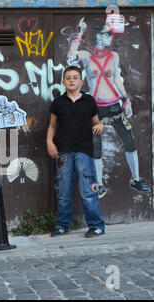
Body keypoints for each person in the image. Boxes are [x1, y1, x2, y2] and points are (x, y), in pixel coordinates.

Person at [67, 17, 150, 198]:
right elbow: (71, 56)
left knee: (129, 141)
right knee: (97, 149)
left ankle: (135, 179)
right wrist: (79, 33)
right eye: (107, 34)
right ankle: (100, 184)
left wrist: (126, 100)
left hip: (114, 106)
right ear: (98, 37)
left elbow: (117, 80)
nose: (111, 37)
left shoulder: (114, 57)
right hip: (96, 109)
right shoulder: (87, 57)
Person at [46, 66, 106, 238]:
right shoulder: (58, 102)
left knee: (88, 189)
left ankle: (96, 225)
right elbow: (52, 126)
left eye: (75, 77)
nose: (71, 80)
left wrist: (100, 125)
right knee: (63, 190)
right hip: (63, 151)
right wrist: (49, 142)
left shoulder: (89, 101)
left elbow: (96, 122)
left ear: (81, 81)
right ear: (63, 81)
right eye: (68, 77)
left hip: (83, 151)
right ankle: (63, 225)